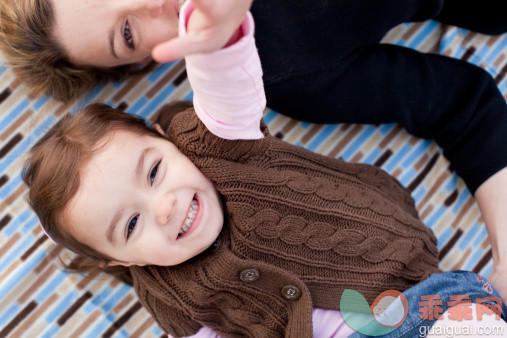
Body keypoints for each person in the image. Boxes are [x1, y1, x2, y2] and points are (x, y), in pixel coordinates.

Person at [21, 3, 506, 337]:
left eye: (152, 174)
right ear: (123, 262)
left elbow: (220, 68)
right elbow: (223, 75)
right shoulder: (179, 302)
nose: (164, 206)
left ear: (167, 142)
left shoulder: (208, 141)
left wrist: (219, 33)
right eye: (130, 225)